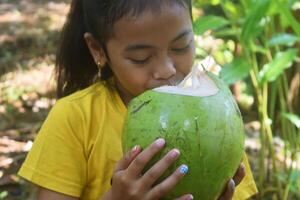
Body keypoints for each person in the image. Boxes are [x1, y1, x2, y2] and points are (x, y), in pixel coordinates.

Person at [18, 0, 258, 199]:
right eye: (141, 58)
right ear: (97, 49)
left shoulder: (216, 116)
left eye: (181, 46)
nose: (166, 70)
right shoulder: (74, 118)